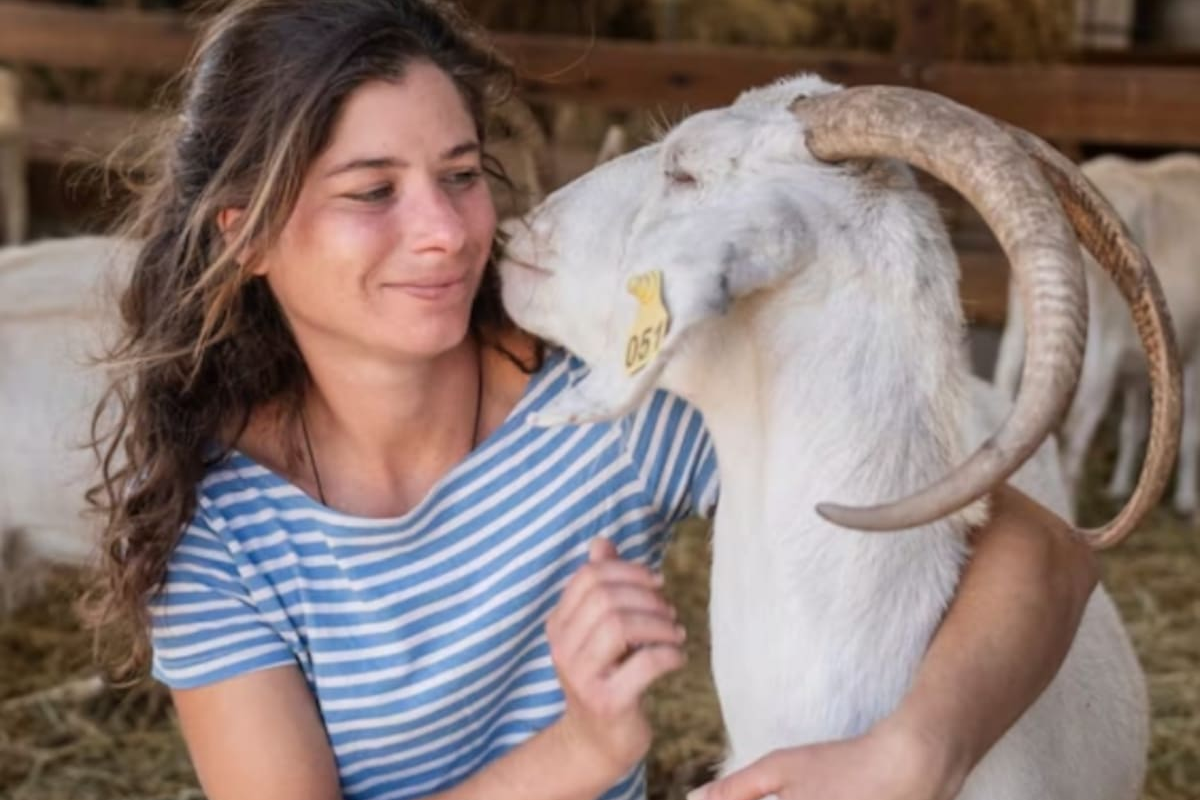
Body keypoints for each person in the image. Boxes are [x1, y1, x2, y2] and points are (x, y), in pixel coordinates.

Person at [85, 2, 1100, 799]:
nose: (445, 229)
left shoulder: (607, 404)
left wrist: (915, 752)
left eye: (461, 171)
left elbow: (1045, 551)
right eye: (372, 190)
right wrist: (585, 748)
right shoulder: (223, 538)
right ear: (246, 234)